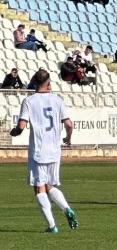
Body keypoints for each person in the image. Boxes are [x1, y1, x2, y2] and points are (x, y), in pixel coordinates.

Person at [9, 69, 78, 233]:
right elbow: (69, 124)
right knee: (49, 184)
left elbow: (21, 126)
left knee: (39, 187)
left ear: (35, 82)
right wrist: (68, 138)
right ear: (48, 83)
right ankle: (67, 208)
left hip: (39, 150)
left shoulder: (29, 101)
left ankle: (52, 225)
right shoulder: (57, 100)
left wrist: (15, 132)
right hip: (55, 150)